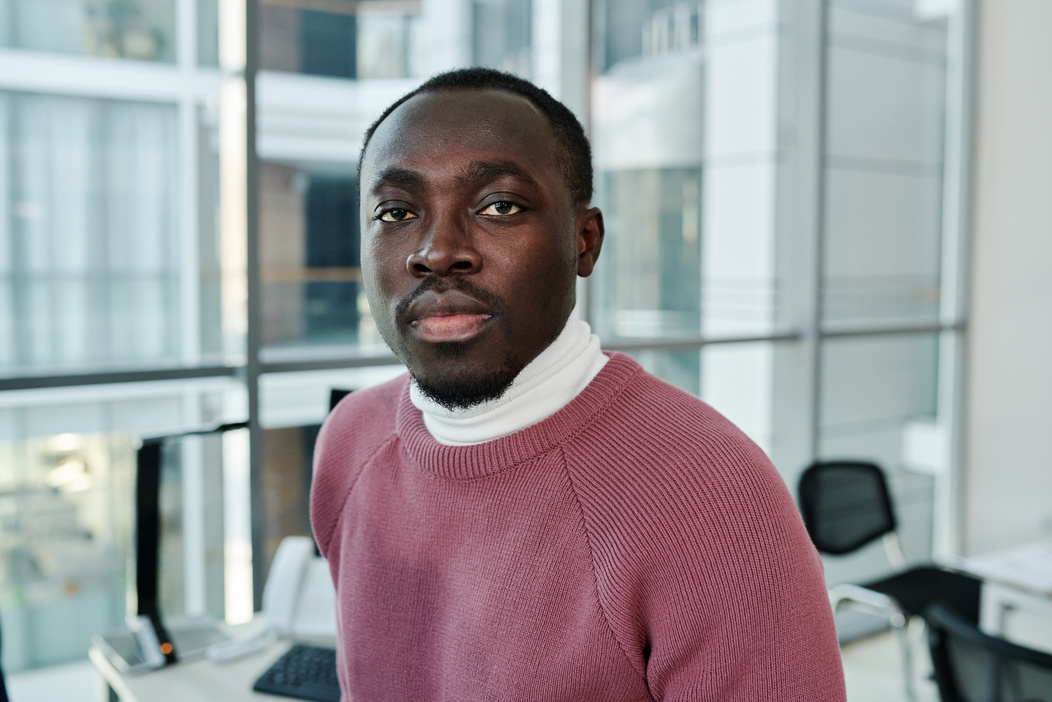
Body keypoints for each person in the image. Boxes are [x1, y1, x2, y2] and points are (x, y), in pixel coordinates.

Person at [310, 67, 846, 701]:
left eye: (498, 206)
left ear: (584, 241)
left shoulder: (712, 498)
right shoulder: (350, 441)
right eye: (396, 211)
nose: (437, 250)